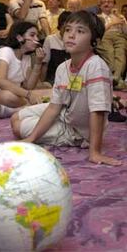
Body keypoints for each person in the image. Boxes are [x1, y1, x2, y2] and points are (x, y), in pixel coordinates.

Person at [11, 10, 122, 166]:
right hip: (65, 114)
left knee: (18, 127)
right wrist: (32, 138)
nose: (71, 35)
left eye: (80, 31)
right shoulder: (63, 67)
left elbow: (98, 111)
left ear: (94, 41)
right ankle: (38, 130)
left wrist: (95, 152)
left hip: (78, 131)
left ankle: (75, 139)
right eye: (68, 30)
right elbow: (53, 108)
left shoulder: (96, 66)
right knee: (16, 117)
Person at [0, 21, 47, 119]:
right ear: (19, 38)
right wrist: (28, 95)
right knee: (7, 96)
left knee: (50, 91)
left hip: (18, 95)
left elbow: (29, 86)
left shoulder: (26, 57)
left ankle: (18, 109)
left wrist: (38, 63)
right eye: (32, 35)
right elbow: (0, 82)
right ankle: (34, 107)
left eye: (37, 36)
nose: (36, 39)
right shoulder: (5, 52)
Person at [96, 0, 127, 90]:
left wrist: (120, 20)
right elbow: (98, 32)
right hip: (104, 37)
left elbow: (126, 32)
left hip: (120, 37)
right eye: (104, 2)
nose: (106, 4)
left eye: (109, 2)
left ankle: (115, 78)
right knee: (109, 54)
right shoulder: (98, 17)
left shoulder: (120, 16)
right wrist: (112, 23)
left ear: (114, 4)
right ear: (100, 6)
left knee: (121, 54)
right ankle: (116, 80)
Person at [41, 11, 71, 84]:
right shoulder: (50, 39)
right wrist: (42, 82)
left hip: (72, 79)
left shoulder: (76, 40)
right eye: (66, 28)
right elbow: (45, 65)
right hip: (53, 79)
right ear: (60, 26)